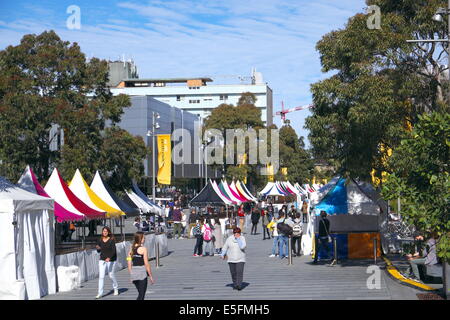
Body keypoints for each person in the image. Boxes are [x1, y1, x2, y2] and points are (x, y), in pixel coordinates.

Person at [127, 232, 154, 300]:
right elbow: (146, 264)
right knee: (141, 295)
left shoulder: (131, 249)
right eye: (144, 238)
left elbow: (129, 262)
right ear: (140, 239)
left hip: (134, 273)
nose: (144, 239)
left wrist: (131, 275)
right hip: (142, 273)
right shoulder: (143, 249)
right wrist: (150, 276)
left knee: (140, 294)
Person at [95, 227, 119, 299]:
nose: (104, 232)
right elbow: (99, 251)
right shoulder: (100, 240)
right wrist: (98, 248)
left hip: (111, 259)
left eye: (106, 231)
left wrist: (109, 258)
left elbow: (114, 251)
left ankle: (115, 288)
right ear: (102, 232)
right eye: (103, 231)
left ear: (108, 232)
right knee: (101, 277)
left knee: (111, 275)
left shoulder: (111, 240)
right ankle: (100, 293)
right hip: (102, 259)